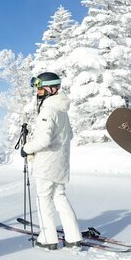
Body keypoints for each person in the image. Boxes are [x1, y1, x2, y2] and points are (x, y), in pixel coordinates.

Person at [20, 72, 83, 250]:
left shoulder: (48, 110)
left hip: (46, 165)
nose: (37, 91)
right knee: (60, 197)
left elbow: (44, 140)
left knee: (44, 200)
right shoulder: (62, 111)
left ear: (51, 88)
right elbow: (69, 135)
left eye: (40, 87)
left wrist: (26, 149)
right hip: (60, 164)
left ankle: (48, 239)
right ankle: (73, 237)